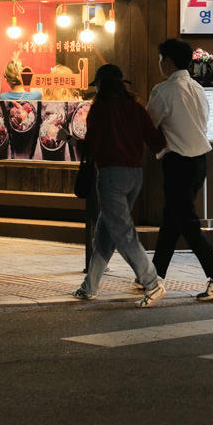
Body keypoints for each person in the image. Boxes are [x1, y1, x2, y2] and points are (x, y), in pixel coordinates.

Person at [147, 37, 213, 301]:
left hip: (178, 162)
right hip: (199, 162)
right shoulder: (197, 88)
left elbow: (149, 124)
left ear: (169, 61)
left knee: (186, 223)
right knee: (172, 222)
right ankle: (153, 276)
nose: (160, 63)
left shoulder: (164, 91)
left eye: (161, 59)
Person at [75, 63, 168, 306]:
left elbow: (93, 146)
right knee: (107, 233)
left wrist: (76, 143)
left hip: (110, 176)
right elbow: (157, 141)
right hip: (135, 175)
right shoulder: (136, 108)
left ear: (102, 86)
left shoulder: (100, 110)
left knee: (123, 233)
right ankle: (89, 287)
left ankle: (152, 283)